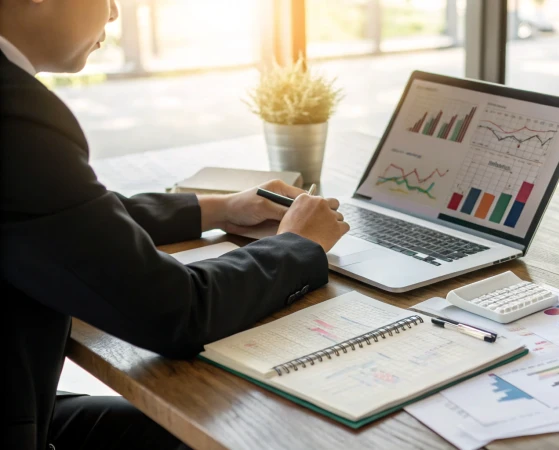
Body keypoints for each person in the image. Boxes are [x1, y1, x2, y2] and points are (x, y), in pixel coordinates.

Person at [0, 1, 349, 448]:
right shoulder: (16, 115)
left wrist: (218, 209)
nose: (113, 13)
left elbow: (62, 214)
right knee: (243, 431)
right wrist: (297, 244)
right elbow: (175, 312)